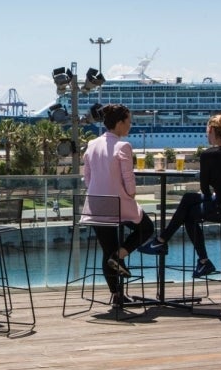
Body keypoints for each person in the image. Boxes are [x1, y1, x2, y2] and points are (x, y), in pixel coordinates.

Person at [139, 111, 221, 278]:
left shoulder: (208, 155)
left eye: (207, 131)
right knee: (188, 199)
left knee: (189, 214)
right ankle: (168, 245)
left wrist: (210, 197)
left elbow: (204, 188)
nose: (206, 134)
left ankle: (165, 243)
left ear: (212, 130)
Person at [83, 104, 154, 296]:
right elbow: (129, 180)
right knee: (147, 228)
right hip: (119, 205)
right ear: (120, 123)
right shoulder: (123, 146)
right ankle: (120, 255)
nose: (130, 125)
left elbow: (86, 178)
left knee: (108, 249)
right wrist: (131, 195)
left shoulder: (91, 144)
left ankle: (117, 295)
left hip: (96, 206)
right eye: (128, 121)